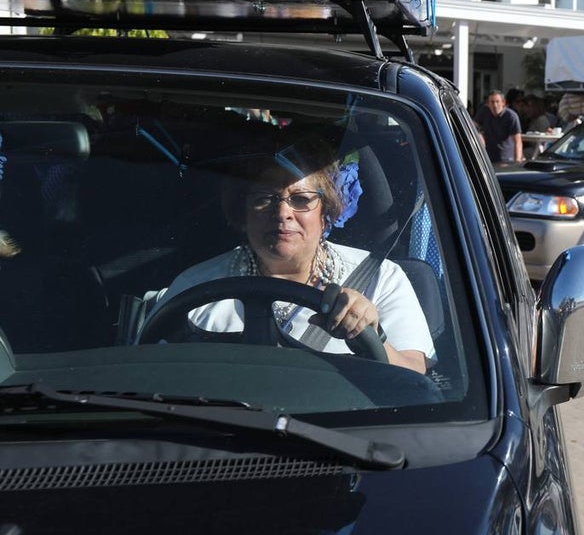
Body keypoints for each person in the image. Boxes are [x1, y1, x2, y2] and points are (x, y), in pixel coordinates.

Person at [153, 138, 435, 374]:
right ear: (242, 215)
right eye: (265, 198)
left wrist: (371, 337)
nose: (282, 213)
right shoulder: (194, 289)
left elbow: (415, 373)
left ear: (326, 214)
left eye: (301, 199)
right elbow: (150, 374)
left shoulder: (381, 279)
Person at [474, 90, 523, 164]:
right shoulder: (484, 112)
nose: (495, 105)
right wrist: (479, 134)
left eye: (497, 101)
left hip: (506, 158)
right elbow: (473, 125)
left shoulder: (511, 116)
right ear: (488, 103)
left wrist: (517, 162)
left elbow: (517, 142)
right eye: (492, 102)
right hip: (488, 158)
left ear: (503, 103)